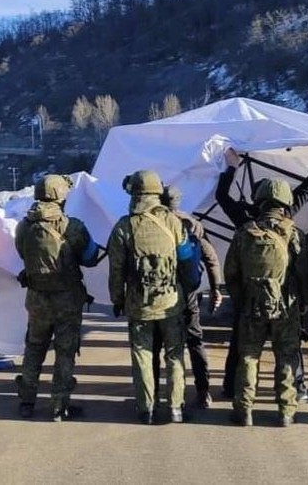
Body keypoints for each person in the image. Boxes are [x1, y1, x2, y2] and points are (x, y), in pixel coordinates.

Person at [216, 142, 308, 401]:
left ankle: (233, 388)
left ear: (258, 197)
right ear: (284, 199)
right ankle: (298, 391)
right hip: (285, 299)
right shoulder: (288, 221)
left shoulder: (245, 221)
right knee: (290, 347)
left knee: (243, 347)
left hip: (251, 298)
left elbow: (222, 197)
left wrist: (231, 167)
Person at [108, 170, 193, 425]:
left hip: (138, 304)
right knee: (175, 355)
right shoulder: (173, 222)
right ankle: (176, 407)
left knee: (142, 356)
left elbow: (116, 270)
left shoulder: (124, 226)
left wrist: (117, 300)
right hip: (170, 302)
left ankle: (147, 409)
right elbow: (187, 260)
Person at [14, 175, 100, 421]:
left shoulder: (24, 226)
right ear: (61, 196)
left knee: (34, 347)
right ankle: (59, 406)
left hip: (37, 298)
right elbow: (90, 258)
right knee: (65, 351)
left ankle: (27, 401)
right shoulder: (72, 227)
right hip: (67, 300)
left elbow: (22, 253)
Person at [225, 179, 308, 427]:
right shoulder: (294, 234)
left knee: (249, 357)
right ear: (285, 202)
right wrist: (304, 302)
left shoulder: (244, 233)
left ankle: (244, 409)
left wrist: (242, 301)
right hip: (286, 307)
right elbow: (304, 273)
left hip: (252, 306)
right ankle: (286, 411)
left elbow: (231, 273)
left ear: (259, 201)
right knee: (286, 356)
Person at [151, 185, 222, 409]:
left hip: (159, 294)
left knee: (155, 345)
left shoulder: (150, 223)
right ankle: (203, 392)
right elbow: (210, 258)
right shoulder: (192, 224)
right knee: (195, 341)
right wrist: (216, 289)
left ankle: (152, 394)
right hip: (189, 293)